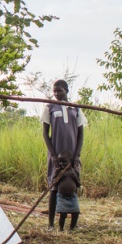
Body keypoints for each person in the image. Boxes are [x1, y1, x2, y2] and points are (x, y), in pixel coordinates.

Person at [41, 79, 86, 229]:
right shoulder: (49, 107)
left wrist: (77, 155)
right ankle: (51, 224)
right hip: (57, 154)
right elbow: (45, 133)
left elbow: (80, 133)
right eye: (54, 91)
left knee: (72, 184)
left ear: (67, 90)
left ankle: (74, 222)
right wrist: (53, 155)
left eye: (59, 90)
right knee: (54, 186)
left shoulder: (76, 108)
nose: (56, 94)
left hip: (72, 153)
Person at [55, 151, 81, 231]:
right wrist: (60, 176)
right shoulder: (59, 171)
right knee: (63, 214)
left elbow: (78, 184)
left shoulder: (74, 172)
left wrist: (74, 177)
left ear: (70, 161)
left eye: (64, 162)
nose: (62, 164)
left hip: (72, 196)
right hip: (62, 196)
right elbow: (54, 182)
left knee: (76, 212)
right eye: (60, 162)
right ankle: (61, 228)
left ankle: (72, 228)